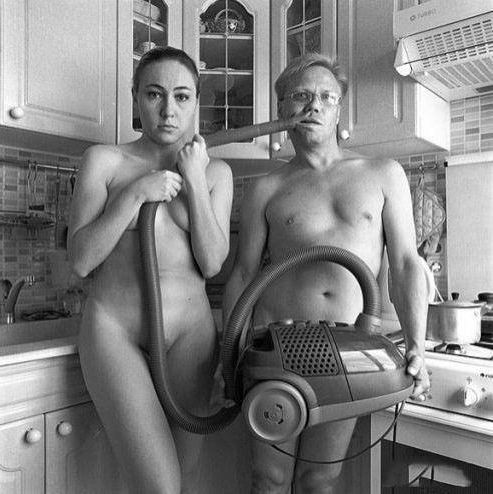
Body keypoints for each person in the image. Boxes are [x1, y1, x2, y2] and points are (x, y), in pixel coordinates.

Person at [222, 52, 430, 494]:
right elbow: (242, 275)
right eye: (301, 96)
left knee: (320, 479)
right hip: (276, 346)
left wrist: (417, 344)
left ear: (339, 110)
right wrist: (229, 354)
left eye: (326, 96)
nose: (314, 105)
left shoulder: (383, 173)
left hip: (349, 350)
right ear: (283, 111)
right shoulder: (265, 187)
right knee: (268, 479)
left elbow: (407, 264)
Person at [67, 46, 233, 494]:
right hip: (115, 330)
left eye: (182, 97)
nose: (168, 110)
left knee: (187, 477)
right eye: (155, 94)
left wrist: (194, 178)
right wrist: (136, 194)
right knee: (159, 486)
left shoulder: (216, 172)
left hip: (191, 334)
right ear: (136, 97)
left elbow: (212, 262)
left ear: (196, 102)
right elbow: (81, 260)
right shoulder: (104, 160)